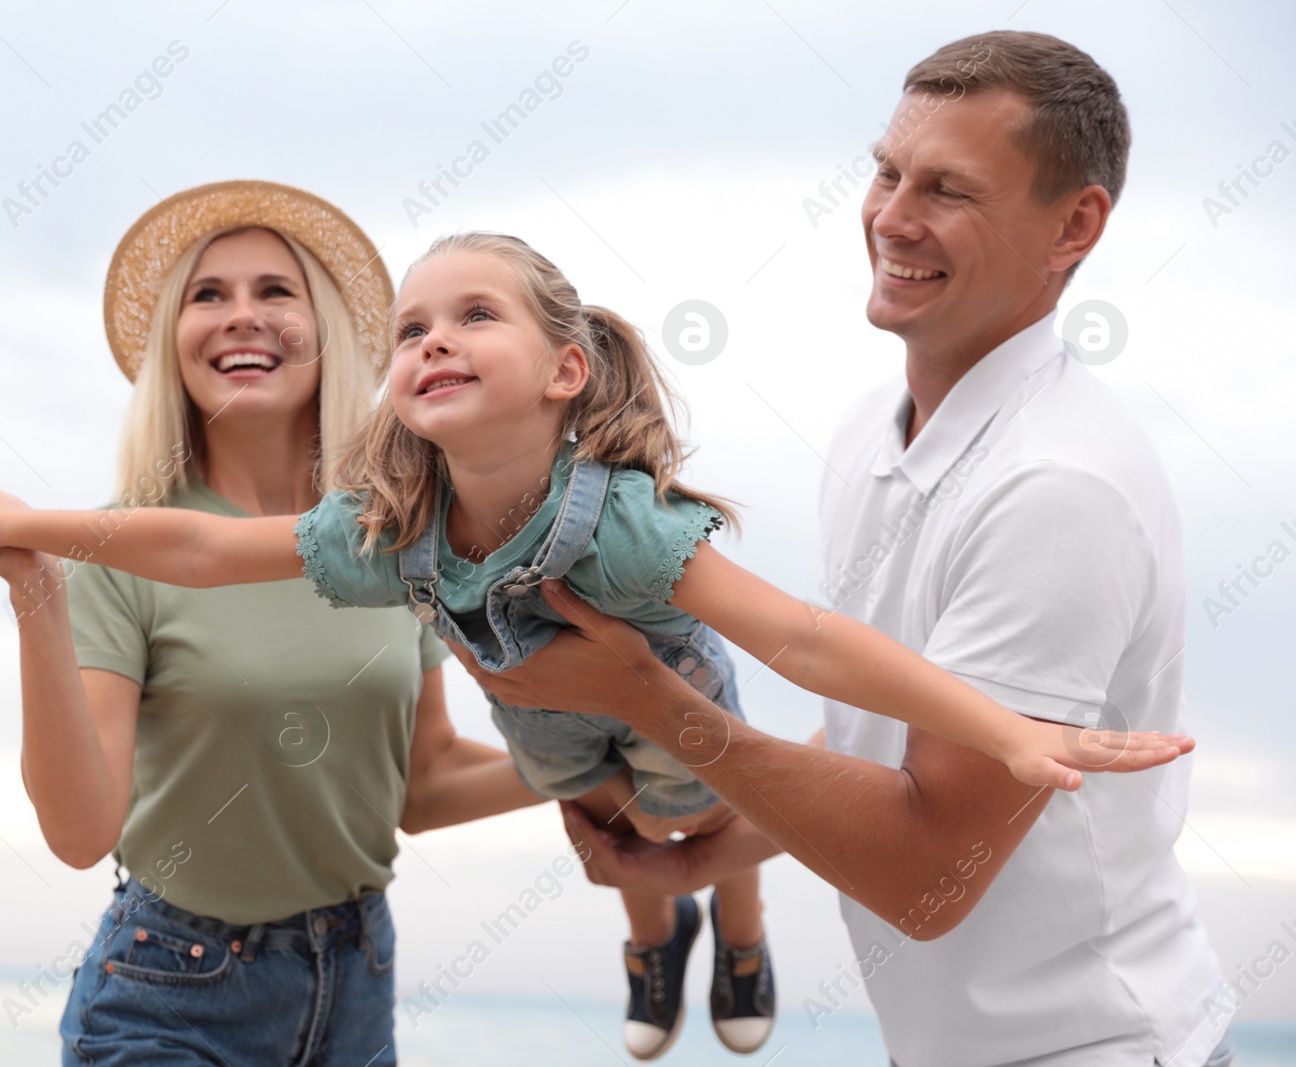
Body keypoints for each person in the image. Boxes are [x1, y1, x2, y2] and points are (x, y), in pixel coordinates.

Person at [0, 230, 1185, 1060]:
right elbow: (191, 550)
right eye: (412, 329)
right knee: (611, 815)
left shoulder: (624, 527)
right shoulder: (388, 536)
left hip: (660, 721)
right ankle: (656, 940)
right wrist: (21, 528)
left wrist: (1005, 727)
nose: (433, 341)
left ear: (568, 370)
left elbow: (807, 641)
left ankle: (728, 934)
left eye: (472, 317)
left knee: (691, 803)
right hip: (514, 764)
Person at [451, 31, 1234, 1067]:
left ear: (1073, 224)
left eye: (948, 189)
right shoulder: (876, 426)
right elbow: (873, 741)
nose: (891, 217)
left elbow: (924, 877)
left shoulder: (1057, 485)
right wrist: (703, 860)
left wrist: (650, 702)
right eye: (885, 170)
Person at [0, 180, 543, 1067]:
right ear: (175, 344)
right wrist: (37, 590)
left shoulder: (392, 541)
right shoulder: (119, 547)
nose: (241, 316)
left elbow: (422, 782)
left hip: (358, 986)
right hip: (171, 998)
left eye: (275, 291)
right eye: (207, 295)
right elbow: (80, 834)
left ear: (326, 331)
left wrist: (594, 758)